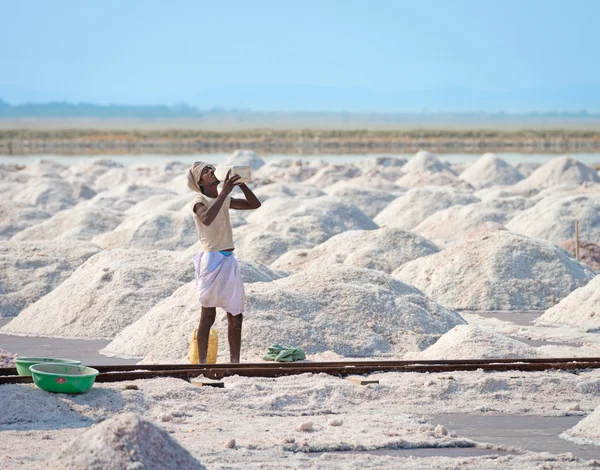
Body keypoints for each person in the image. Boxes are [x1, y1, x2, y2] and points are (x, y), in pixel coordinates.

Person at [187, 161, 261, 363]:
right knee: (208, 316)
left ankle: (235, 362)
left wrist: (241, 184)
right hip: (211, 259)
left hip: (229, 259)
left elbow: (255, 205)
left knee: (236, 314)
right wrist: (224, 193)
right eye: (205, 171)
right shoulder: (198, 200)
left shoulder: (224, 199)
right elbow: (207, 218)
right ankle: (202, 364)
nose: (211, 171)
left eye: (211, 168)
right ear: (200, 181)